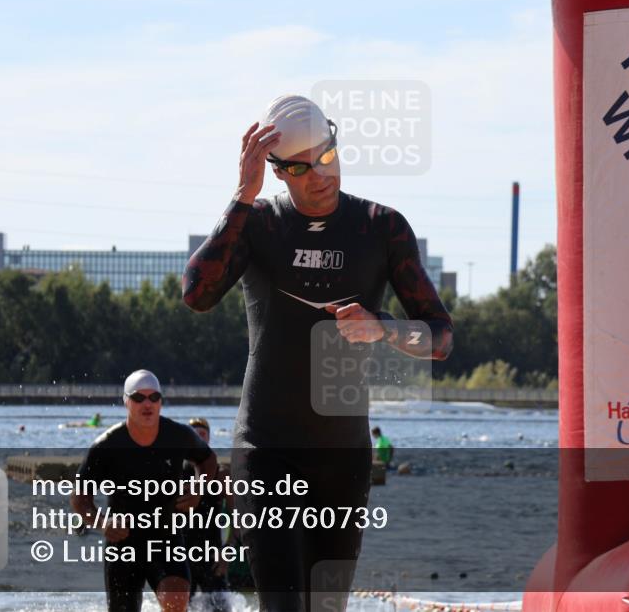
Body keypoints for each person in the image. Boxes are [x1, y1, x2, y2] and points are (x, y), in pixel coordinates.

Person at [182, 95, 454, 611]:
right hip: (266, 450)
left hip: (341, 456)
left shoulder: (382, 226)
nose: (320, 175)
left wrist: (385, 327)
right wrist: (242, 194)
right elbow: (197, 295)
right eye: (302, 168)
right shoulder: (259, 222)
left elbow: (441, 338)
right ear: (279, 171)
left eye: (327, 157)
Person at [71, 370, 217, 612]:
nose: (147, 404)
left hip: (167, 537)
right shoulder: (107, 445)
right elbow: (79, 497)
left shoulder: (178, 435)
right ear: (126, 402)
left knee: (177, 600)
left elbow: (208, 460)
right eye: (139, 398)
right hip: (123, 542)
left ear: (161, 402)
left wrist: (199, 487)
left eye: (154, 397)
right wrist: (101, 523)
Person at [182, 417, 232, 612]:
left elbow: (239, 518)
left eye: (202, 435)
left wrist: (228, 550)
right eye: (193, 435)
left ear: (209, 439)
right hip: (180, 556)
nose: (197, 439)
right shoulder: (174, 472)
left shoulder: (221, 475)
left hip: (212, 556)